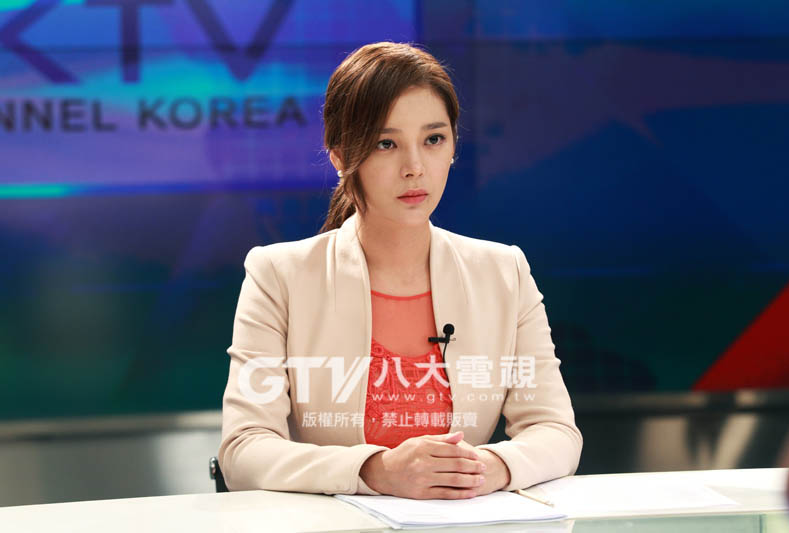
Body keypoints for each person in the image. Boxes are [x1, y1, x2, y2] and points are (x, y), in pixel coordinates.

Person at [219, 42, 582, 499]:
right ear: (339, 155)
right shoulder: (279, 275)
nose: (414, 168)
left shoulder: (504, 271)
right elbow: (244, 451)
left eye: (434, 140)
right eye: (385, 144)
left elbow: (556, 431)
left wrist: (487, 468)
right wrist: (376, 470)